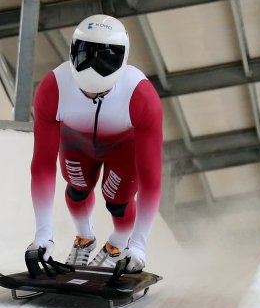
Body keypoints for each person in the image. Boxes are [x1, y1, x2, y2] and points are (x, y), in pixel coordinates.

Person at [27, 14, 163, 273]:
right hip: (77, 145)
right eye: (85, 91)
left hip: (122, 149)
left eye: (100, 93)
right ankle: (84, 237)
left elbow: (151, 179)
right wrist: (43, 235)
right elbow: (42, 166)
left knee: (117, 200)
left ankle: (118, 243)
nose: (92, 95)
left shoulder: (142, 97)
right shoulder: (52, 88)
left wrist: (138, 246)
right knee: (77, 188)